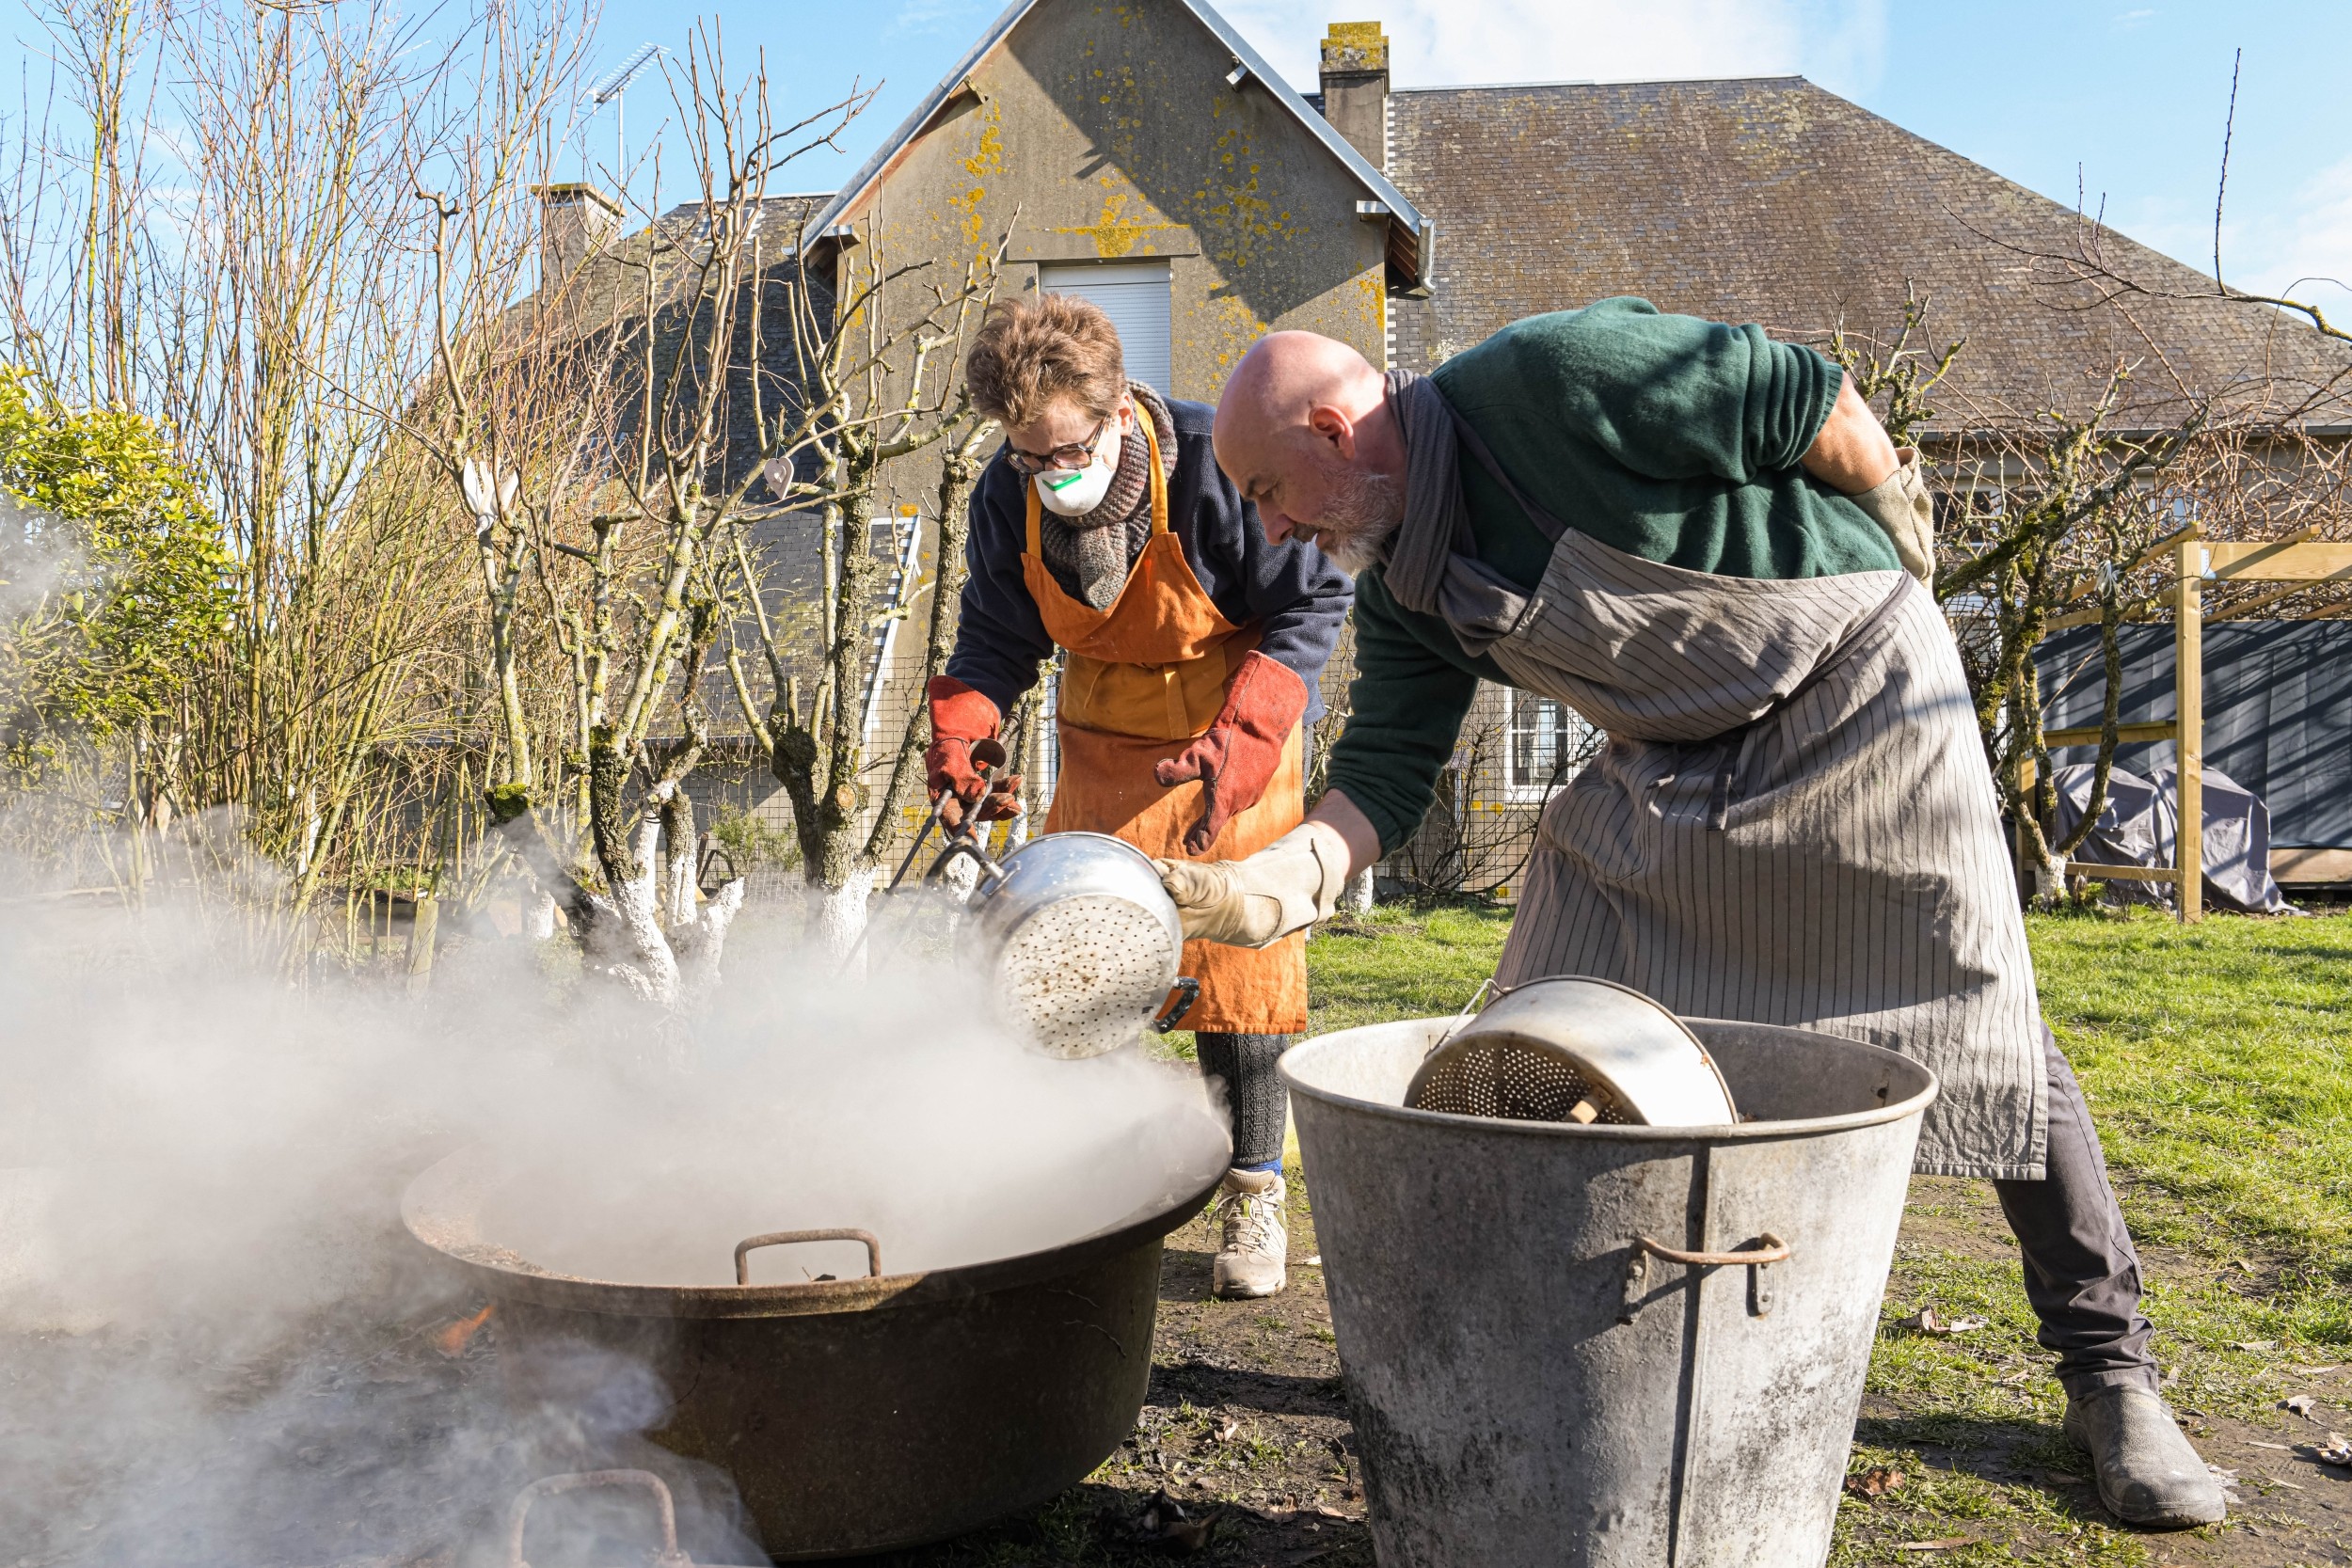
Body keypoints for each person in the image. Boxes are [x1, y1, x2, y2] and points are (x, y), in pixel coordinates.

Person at [1160, 298, 2226, 1528]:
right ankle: (1522, 1337)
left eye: (1269, 489)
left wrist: (1897, 526)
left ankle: (2113, 1373)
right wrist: (1270, 883)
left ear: (1337, 426)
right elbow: (1391, 767)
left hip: (1856, 691)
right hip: (1675, 757)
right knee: (1538, 1012)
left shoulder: (1553, 377)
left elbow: (1804, 393)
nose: (1272, 526)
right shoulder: (1410, 582)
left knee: (1977, 1011)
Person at [927, 293, 1352, 1300]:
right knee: (1073, 955)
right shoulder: (1009, 492)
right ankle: (1090, 1177)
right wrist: (964, 732)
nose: (1047, 473)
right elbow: (995, 637)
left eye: (1064, 450)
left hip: (1231, 726)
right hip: (1103, 733)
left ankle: (1252, 1188)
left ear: (1119, 408)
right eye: (1027, 456)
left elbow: (1312, 597)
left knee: (1239, 972)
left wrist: (1247, 734)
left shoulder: (1214, 462)